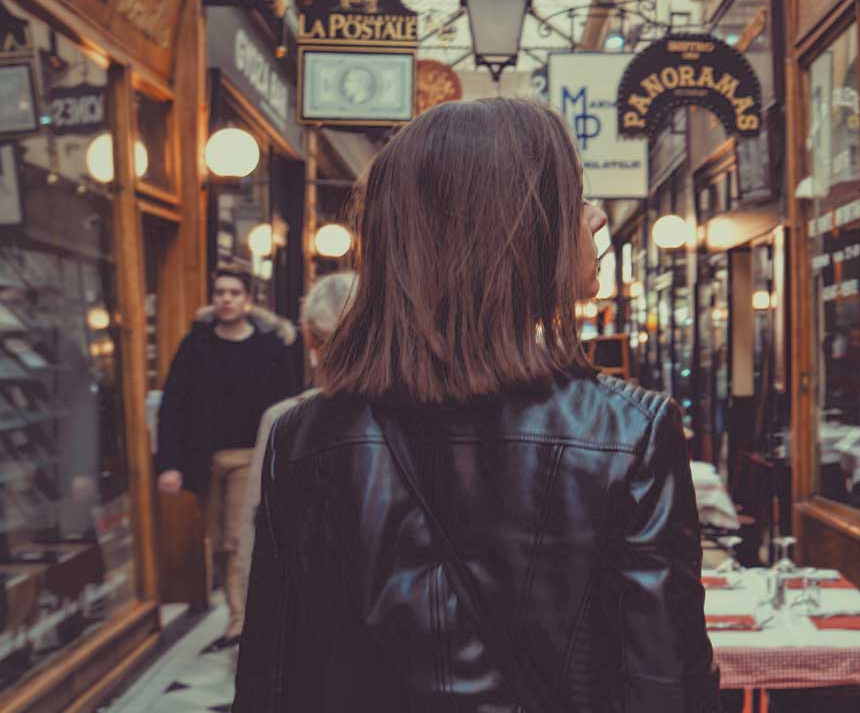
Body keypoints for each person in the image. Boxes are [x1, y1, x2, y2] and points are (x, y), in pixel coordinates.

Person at [234, 98, 719, 712]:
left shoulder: (302, 437)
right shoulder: (630, 432)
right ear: (513, 232)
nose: (595, 216)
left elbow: (272, 680)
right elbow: (668, 692)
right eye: (573, 196)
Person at [218, 270, 357, 651]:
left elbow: (255, 532)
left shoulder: (284, 421)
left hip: (304, 625)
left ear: (308, 334)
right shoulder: (411, 416)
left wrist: (251, 624)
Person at [155, 267, 299, 606]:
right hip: (205, 459)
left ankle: (240, 623)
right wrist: (169, 464)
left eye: (234, 293)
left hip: (249, 457)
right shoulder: (195, 345)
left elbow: (287, 407)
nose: (226, 299)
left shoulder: (270, 348)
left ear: (247, 300)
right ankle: (239, 611)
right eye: (220, 292)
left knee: (237, 538)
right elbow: (173, 404)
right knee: (218, 541)